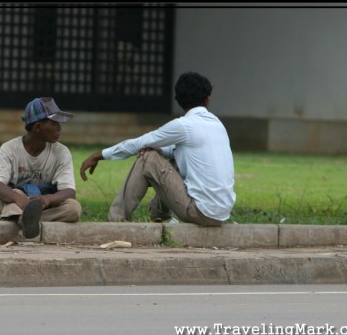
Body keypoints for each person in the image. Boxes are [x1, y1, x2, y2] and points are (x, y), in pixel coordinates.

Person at [80, 72, 236, 226]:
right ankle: (159, 216)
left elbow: (138, 143)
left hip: (200, 212)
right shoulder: (218, 125)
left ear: (179, 101)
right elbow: (177, 150)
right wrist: (160, 150)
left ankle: (116, 219)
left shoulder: (183, 125)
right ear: (207, 100)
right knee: (164, 156)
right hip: (221, 214)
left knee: (148, 158)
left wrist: (98, 155)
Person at [0, 97, 82, 239]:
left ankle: (25, 221)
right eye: (54, 123)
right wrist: (18, 198)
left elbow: (69, 191)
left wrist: (47, 199)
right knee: (10, 199)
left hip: (45, 205)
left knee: (73, 208)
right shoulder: (9, 149)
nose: (59, 128)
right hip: (17, 202)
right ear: (38, 127)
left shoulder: (62, 152)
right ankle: (25, 219)